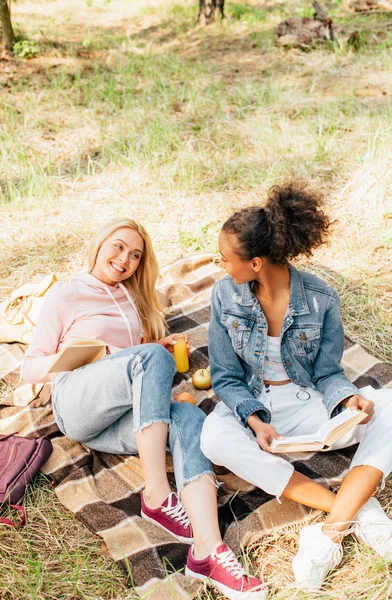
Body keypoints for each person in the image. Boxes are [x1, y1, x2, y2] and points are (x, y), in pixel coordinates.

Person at [22, 217, 267, 600]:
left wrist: (157, 348)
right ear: (100, 244)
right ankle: (156, 495)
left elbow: (138, 362)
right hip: (76, 403)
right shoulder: (68, 293)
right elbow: (30, 367)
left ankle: (209, 551)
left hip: (118, 421)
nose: (124, 259)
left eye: (135, 255)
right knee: (150, 358)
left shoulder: (133, 301)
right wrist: (101, 354)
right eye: (118, 247)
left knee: (189, 417)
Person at [200, 182, 392, 591]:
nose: (221, 266)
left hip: (306, 401)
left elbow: (327, 373)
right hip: (254, 402)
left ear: (254, 263)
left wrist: (348, 398)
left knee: (389, 404)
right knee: (213, 438)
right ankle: (357, 510)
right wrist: (253, 420)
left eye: (225, 259)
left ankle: (327, 536)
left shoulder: (321, 297)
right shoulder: (224, 296)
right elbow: (226, 378)